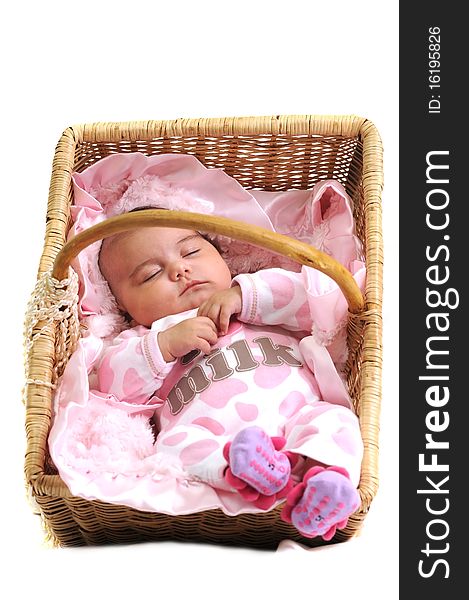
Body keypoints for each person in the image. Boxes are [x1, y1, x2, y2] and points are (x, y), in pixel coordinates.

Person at [95, 221, 363, 541]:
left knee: (336, 419)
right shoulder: (144, 339)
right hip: (215, 437)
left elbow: (316, 303)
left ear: (220, 254)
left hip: (298, 411)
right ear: (122, 304)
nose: (180, 270)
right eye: (150, 274)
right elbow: (113, 386)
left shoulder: (254, 295)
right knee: (171, 446)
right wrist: (164, 345)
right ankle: (240, 471)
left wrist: (243, 296)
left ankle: (327, 481)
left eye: (191, 252)